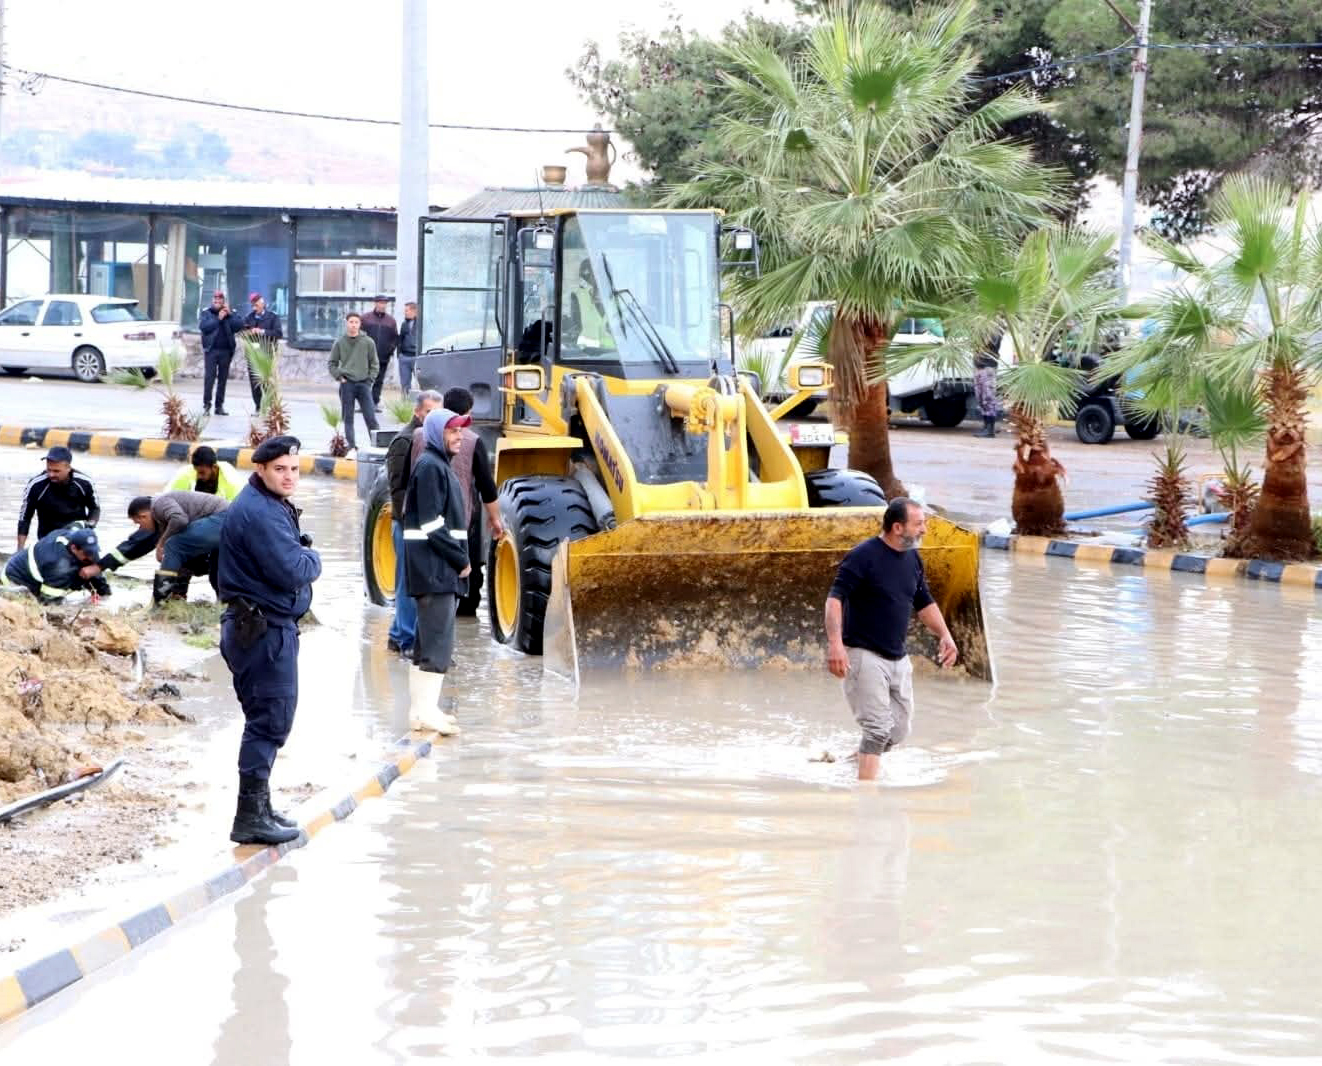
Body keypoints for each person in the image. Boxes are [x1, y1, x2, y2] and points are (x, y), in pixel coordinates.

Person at [217, 435, 321, 846]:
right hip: (262, 632)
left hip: (259, 627)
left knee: (266, 721)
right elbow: (294, 569)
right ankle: (249, 817)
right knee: (268, 722)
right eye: (280, 469)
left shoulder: (265, 503)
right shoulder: (261, 512)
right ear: (260, 469)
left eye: (294, 469)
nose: (289, 476)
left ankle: (260, 807)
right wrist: (313, 557)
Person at [825, 498, 959, 782]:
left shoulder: (913, 559)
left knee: (898, 731)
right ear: (898, 528)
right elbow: (834, 599)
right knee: (877, 730)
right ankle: (867, 796)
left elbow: (924, 602)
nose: (924, 529)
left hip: (898, 658)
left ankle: (847, 767)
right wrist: (836, 645)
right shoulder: (863, 556)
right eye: (919, 524)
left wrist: (945, 634)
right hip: (863, 655)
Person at [402, 408, 472, 735]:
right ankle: (427, 711)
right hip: (436, 568)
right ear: (435, 433)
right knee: (437, 644)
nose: (459, 437)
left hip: (433, 568)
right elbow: (432, 525)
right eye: (452, 431)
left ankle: (420, 710)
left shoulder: (436, 464)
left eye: (460, 431)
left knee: (426, 642)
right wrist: (460, 560)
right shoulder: (431, 466)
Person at [385, 389, 442, 654]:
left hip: (426, 522)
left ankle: (399, 635)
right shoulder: (404, 441)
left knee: (418, 582)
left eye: (438, 413)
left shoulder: (434, 441)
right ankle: (406, 639)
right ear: (418, 412)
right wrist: (411, 520)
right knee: (407, 582)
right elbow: (397, 488)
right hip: (407, 524)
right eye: (429, 412)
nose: (434, 418)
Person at [441, 387, 504, 616]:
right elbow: (487, 486)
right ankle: (465, 610)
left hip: (427, 518)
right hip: (462, 518)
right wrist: (495, 519)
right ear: (468, 413)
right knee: (468, 569)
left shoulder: (421, 435)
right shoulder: (471, 440)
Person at [16, 446, 100, 551]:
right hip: (48, 541)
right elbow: (25, 518)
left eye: (56, 471)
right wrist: (19, 550)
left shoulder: (84, 482)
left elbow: (94, 508)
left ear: (68, 468)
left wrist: (89, 527)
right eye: (49, 470)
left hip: (76, 539)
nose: (51, 474)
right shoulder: (36, 485)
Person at [2, 527, 102, 604]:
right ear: (74, 548)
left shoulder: (71, 535)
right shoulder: (60, 567)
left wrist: (102, 591)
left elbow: (96, 571)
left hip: (23, 561)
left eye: (94, 552)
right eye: (88, 553)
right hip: (14, 581)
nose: (91, 557)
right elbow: (49, 604)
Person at [327, 312, 381, 453]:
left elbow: (375, 363)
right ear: (347, 323)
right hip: (347, 384)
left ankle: (378, 446)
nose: (353, 325)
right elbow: (332, 363)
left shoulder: (368, 342)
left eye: (356, 322)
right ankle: (351, 447)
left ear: (360, 324)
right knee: (348, 418)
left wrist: (370, 380)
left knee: (370, 417)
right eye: (351, 322)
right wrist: (339, 377)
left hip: (364, 384)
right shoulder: (340, 342)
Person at [198, 290, 239, 416]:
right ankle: (207, 405)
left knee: (222, 379)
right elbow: (204, 327)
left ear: (223, 301)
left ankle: (219, 406)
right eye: (215, 299)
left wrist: (230, 315)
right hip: (211, 351)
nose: (217, 301)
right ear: (212, 300)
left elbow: (238, 326)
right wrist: (218, 319)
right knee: (209, 379)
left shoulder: (230, 313)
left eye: (220, 300)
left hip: (226, 351)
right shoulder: (206, 313)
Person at [239, 293, 283, 409]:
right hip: (253, 355)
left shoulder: (273, 317)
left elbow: (278, 333)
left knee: (268, 382)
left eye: (256, 305)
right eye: (253, 306)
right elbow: (242, 332)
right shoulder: (249, 317)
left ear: (263, 304)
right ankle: (258, 406)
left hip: (267, 354)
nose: (254, 308)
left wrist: (262, 332)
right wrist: (249, 332)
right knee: (255, 383)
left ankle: (269, 406)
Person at [361, 295, 399, 411]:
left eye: (384, 303)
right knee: (365, 380)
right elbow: (359, 335)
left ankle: (374, 403)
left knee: (379, 381)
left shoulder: (391, 321)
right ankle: (364, 403)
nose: (382, 305)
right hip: (366, 356)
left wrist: (389, 351)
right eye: (380, 303)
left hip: (383, 357)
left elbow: (395, 338)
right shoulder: (365, 318)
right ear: (375, 303)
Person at [166, 445, 243, 500]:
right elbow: (169, 498)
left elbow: (234, 510)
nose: (198, 476)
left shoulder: (230, 480)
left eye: (202, 473)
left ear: (214, 467)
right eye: (196, 472)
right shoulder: (186, 473)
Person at [973, 332, 1003, 438]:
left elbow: (991, 342)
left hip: (988, 367)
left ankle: (990, 429)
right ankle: (986, 426)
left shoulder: (995, 329)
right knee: (980, 398)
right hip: (979, 366)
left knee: (988, 398)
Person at [397, 301, 419, 393]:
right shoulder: (404, 324)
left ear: (414, 311)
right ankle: (405, 401)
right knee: (405, 384)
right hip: (404, 357)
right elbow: (400, 339)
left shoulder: (421, 323)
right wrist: (399, 354)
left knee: (422, 383)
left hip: (417, 357)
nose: (405, 313)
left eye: (407, 310)